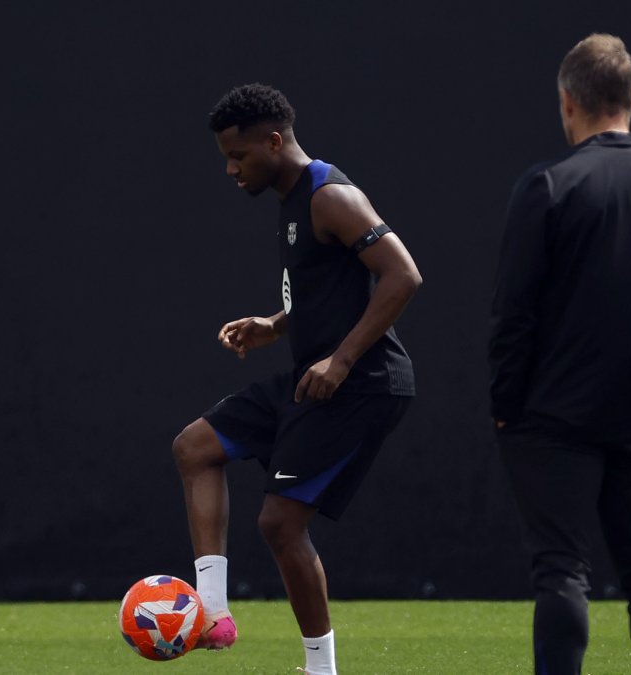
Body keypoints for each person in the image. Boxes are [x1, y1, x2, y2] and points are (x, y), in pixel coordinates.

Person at [172, 83, 421, 675]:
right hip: (311, 377)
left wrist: (341, 360)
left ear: (275, 141)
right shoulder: (289, 199)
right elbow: (328, 288)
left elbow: (402, 276)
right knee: (195, 447)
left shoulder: (331, 195)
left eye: (240, 156)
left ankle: (320, 670)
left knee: (280, 525)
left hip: (363, 384)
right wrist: (275, 324)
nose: (232, 170)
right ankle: (211, 613)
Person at [488, 34, 631, 675]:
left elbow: (513, 315)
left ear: (567, 101)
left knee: (560, 571)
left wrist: (507, 404)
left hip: (553, 417)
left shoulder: (549, 188)